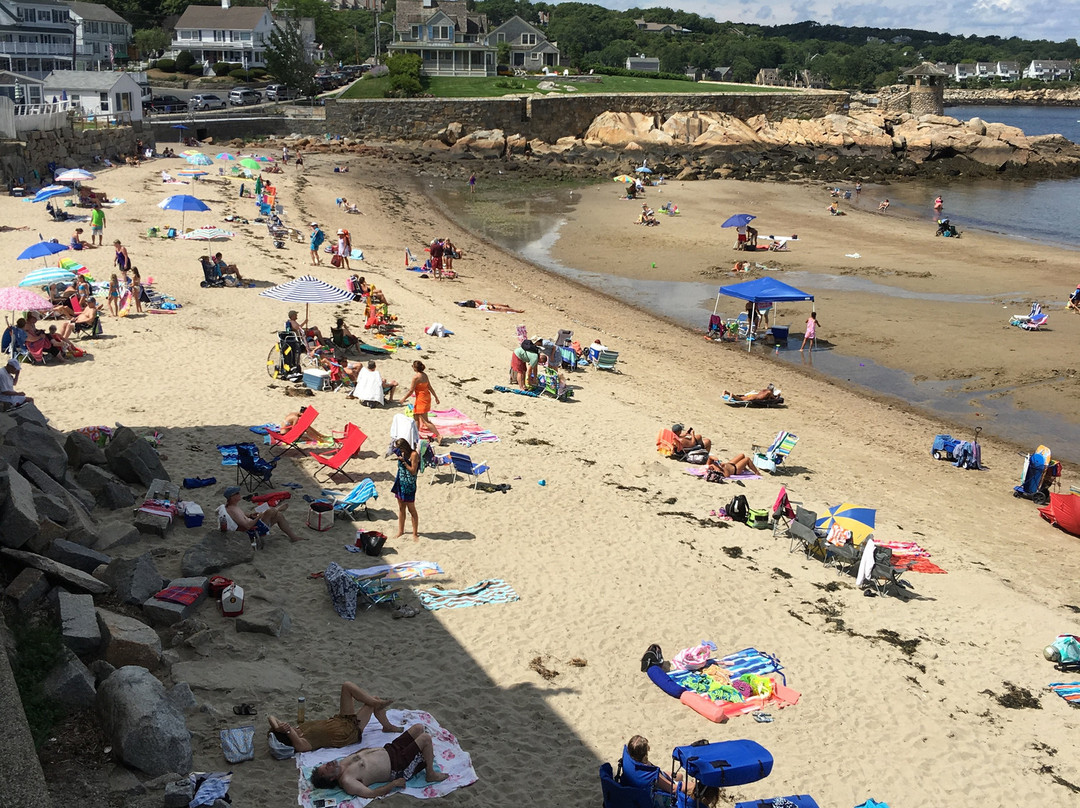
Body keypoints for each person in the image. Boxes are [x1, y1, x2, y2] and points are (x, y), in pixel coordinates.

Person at [310, 724, 450, 798]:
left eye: (325, 764)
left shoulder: (341, 763)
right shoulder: (347, 781)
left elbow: (359, 753)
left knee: (418, 728)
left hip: (391, 749)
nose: (328, 764)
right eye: (326, 769)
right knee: (425, 738)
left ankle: (423, 756)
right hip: (398, 765)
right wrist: (393, 784)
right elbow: (370, 793)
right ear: (332, 778)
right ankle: (430, 773)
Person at [267, 681, 402, 754]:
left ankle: (378, 709)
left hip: (340, 720)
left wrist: (278, 727)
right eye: (289, 729)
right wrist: (289, 732)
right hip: (350, 732)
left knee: (347, 686)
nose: (291, 727)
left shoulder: (299, 729)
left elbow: (271, 717)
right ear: (289, 736)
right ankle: (386, 724)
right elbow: (299, 746)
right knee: (374, 702)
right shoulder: (302, 743)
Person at [221, 485, 303, 547]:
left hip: (253, 524)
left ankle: (293, 537)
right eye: (237, 493)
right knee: (270, 511)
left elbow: (242, 516)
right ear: (232, 497)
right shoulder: (232, 510)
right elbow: (247, 526)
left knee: (278, 516)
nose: (239, 494)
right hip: (252, 531)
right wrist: (258, 517)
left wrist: (250, 515)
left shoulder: (232, 506)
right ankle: (278, 509)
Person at [401, 361, 440, 442]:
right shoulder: (425, 375)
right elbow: (430, 387)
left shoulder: (416, 377)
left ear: (415, 368)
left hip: (421, 399)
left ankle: (439, 435)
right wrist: (436, 397)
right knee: (416, 416)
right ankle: (416, 435)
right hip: (426, 397)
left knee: (425, 420)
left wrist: (404, 398)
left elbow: (411, 391)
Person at [391, 438, 420, 541]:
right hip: (400, 482)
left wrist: (404, 462)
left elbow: (413, 471)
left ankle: (415, 533)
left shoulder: (413, 455)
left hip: (409, 485)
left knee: (411, 509)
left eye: (400, 448)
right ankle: (401, 530)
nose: (400, 451)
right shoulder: (401, 453)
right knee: (401, 507)